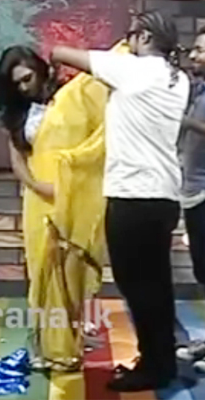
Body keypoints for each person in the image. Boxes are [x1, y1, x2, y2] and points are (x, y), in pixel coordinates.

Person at [51, 10, 190, 391]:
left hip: (133, 198)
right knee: (157, 285)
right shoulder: (177, 79)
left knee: (138, 287)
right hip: (163, 197)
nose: (126, 43)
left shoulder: (133, 70)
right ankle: (160, 359)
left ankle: (155, 368)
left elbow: (62, 52)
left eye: (131, 36)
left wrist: (53, 57)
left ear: (145, 37)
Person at [0, 46, 109, 372]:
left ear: (40, 70)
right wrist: (40, 186)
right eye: (16, 83)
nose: (23, 87)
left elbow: (94, 138)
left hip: (77, 195)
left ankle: (72, 338)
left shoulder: (70, 98)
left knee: (73, 266)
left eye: (27, 78)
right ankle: (49, 344)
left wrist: (73, 186)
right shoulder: (17, 114)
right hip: (39, 198)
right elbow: (18, 162)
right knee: (44, 268)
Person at [175, 26, 205, 369]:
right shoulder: (198, 89)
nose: (194, 55)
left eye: (201, 50)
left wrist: (183, 120)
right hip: (194, 194)